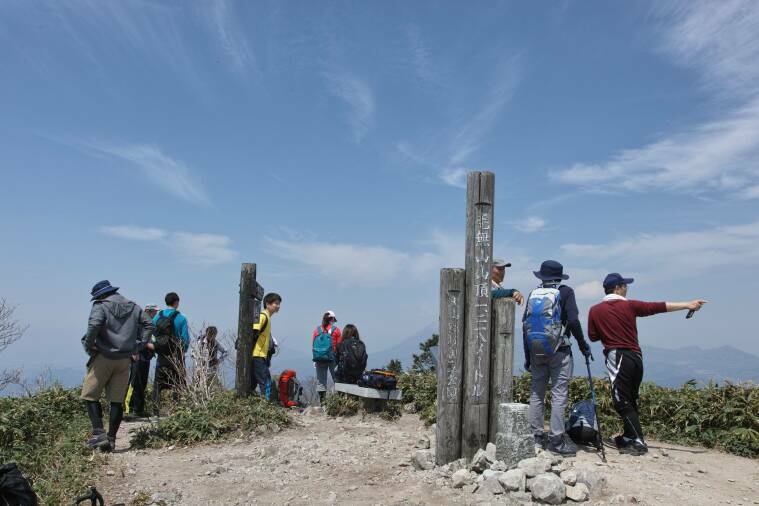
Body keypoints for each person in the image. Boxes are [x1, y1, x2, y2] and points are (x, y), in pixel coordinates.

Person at [588, 273, 707, 456]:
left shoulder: (595, 310)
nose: (627, 288)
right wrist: (688, 305)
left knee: (621, 401)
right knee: (630, 398)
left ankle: (638, 442)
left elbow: (593, 337)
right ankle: (629, 436)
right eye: (625, 285)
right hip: (636, 357)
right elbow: (657, 307)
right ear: (617, 288)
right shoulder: (630, 305)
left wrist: (607, 330)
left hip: (617, 356)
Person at [523, 260, 592, 456]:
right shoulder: (565, 292)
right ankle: (556, 440)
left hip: (536, 350)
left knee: (536, 393)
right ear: (559, 277)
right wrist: (583, 345)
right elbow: (573, 321)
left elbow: (525, 325)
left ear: (542, 276)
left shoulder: (534, 294)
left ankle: (536, 437)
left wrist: (528, 356)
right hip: (559, 351)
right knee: (559, 394)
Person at [80, 280, 153, 451]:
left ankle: (99, 435)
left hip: (103, 356)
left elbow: (94, 325)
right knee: (116, 401)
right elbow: (149, 324)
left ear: (101, 295)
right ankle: (111, 440)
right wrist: (139, 346)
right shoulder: (133, 306)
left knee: (89, 395)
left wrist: (89, 346)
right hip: (125, 359)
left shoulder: (100, 306)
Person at [151, 292, 190, 420]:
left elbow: (152, 334)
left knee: (158, 385)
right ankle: (175, 412)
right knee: (177, 385)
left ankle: (155, 413)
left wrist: (157, 347)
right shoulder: (181, 318)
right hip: (176, 356)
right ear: (176, 302)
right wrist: (182, 351)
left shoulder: (157, 316)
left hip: (162, 356)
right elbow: (185, 339)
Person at [124, 303, 159, 421]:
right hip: (138, 356)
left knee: (142, 383)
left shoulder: (149, 324)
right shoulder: (138, 322)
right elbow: (132, 337)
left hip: (146, 357)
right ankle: (128, 409)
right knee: (134, 382)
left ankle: (139, 409)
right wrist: (135, 352)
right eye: (154, 312)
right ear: (149, 311)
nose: (155, 314)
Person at [252, 293, 282, 398]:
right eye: (276, 303)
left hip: (261, 355)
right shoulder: (263, 316)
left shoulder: (268, 317)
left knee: (254, 382)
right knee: (265, 382)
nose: (278, 306)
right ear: (268, 304)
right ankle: (265, 403)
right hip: (257, 355)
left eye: (279, 304)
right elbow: (253, 332)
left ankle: (258, 402)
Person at [312, 310, 342, 403]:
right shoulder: (336, 330)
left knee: (321, 381)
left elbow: (313, 345)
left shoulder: (317, 330)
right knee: (337, 379)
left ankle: (323, 403)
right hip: (333, 357)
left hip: (319, 357)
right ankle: (340, 402)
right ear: (331, 319)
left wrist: (315, 359)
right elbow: (339, 346)